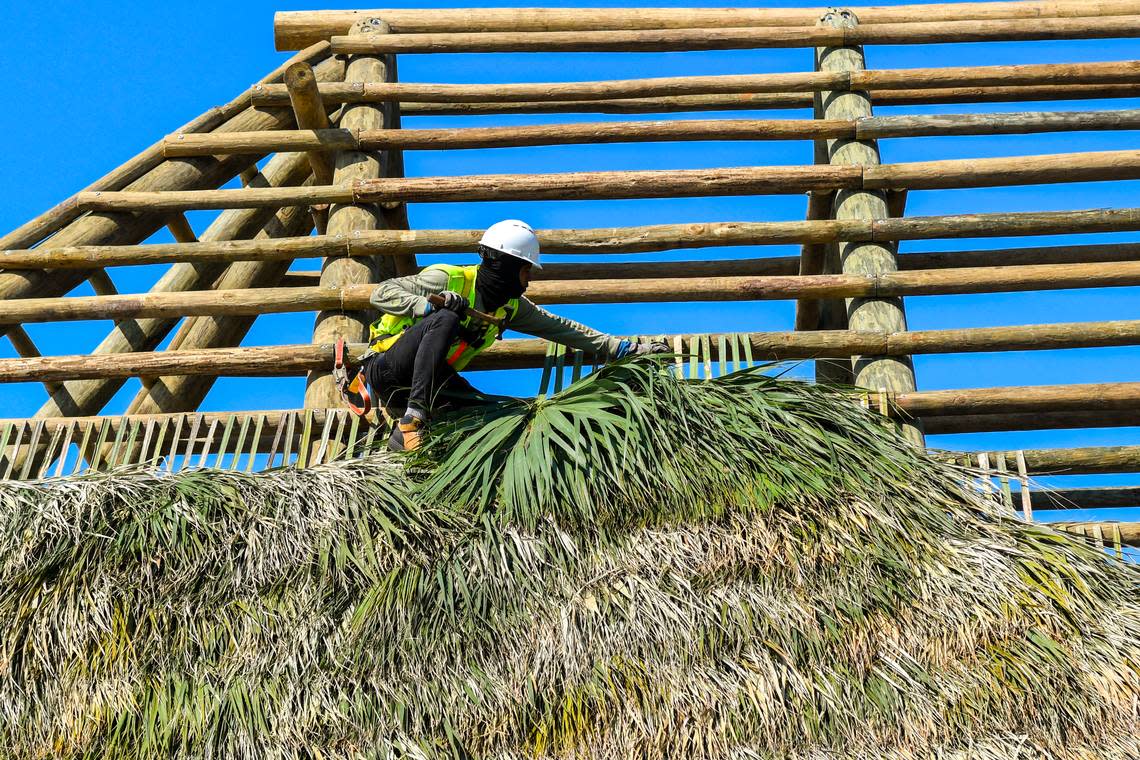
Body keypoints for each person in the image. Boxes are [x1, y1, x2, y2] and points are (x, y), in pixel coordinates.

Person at [362, 219, 667, 451]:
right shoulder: (448, 278)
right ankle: (413, 419)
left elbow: (562, 327)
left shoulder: (509, 308)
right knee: (447, 316)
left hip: (432, 384)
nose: (527, 282)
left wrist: (625, 349)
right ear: (504, 266)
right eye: (525, 272)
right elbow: (382, 292)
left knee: (493, 408)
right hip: (387, 369)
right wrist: (425, 306)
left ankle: (402, 444)